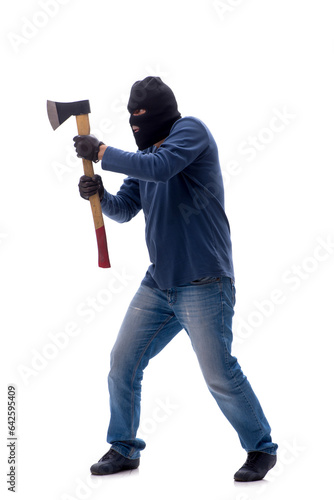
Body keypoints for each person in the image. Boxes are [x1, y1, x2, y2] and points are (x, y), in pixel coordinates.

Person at [73, 76, 278, 482]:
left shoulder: (190, 132)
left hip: (204, 280)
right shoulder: (144, 154)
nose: (135, 122)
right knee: (123, 362)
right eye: (130, 116)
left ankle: (261, 448)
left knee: (219, 373)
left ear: (162, 112)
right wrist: (99, 193)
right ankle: (123, 448)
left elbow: (163, 168)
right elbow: (126, 207)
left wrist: (101, 151)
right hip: (160, 283)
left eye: (141, 115)